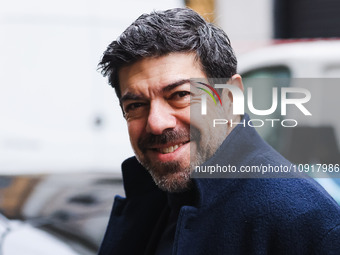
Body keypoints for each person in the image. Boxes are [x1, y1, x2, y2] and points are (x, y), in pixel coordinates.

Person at [97, 7, 340, 255]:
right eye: (136, 105)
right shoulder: (149, 204)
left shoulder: (304, 220)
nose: (157, 123)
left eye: (180, 95)